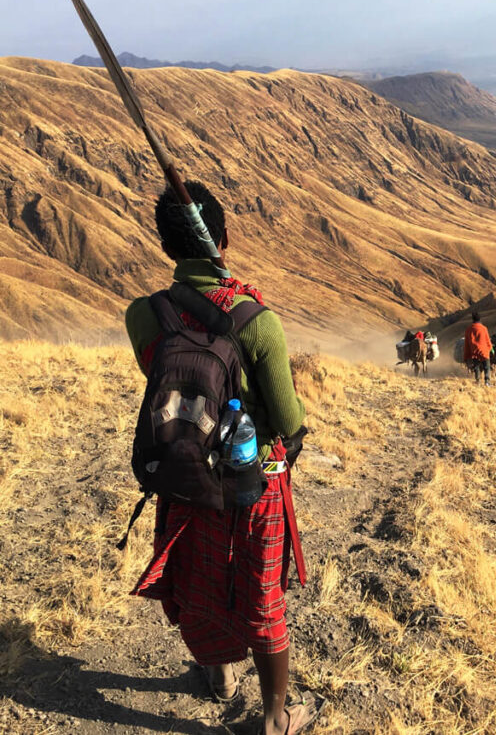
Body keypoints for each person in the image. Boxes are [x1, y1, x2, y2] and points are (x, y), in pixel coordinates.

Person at [124, 181, 322, 735]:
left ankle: (218, 675)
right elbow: (287, 420)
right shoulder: (257, 321)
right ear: (225, 239)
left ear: (166, 247)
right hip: (247, 483)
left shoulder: (143, 315)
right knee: (259, 593)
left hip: (184, 475)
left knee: (198, 581)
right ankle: (276, 717)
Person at [463, 311, 492, 385]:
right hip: (484, 351)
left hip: (474, 351)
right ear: (480, 320)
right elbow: (487, 340)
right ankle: (487, 381)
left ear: (473, 320)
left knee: (476, 367)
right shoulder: (484, 328)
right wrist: (489, 348)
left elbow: (466, 343)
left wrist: (466, 355)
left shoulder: (468, 329)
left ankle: (478, 381)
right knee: (487, 367)